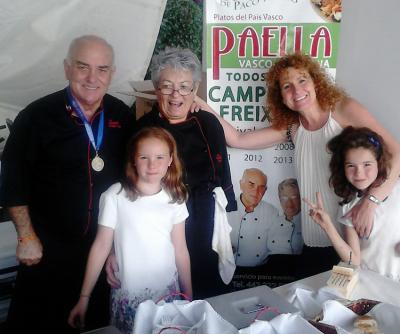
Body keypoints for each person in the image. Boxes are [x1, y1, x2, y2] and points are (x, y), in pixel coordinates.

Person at [196, 52, 400, 277]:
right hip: (314, 239)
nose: (296, 90)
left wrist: (370, 202)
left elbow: (396, 152)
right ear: (281, 97)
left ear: (316, 81)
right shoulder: (293, 127)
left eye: (302, 80)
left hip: (354, 237)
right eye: (287, 86)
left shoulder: (343, 109)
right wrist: (194, 100)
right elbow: (237, 139)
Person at [0, 35, 134, 333]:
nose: (92, 78)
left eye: (102, 69)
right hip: (46, 249)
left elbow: (132, 179)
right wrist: (25, 237)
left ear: (111, 73)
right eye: (82, 67)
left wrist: (118, 246)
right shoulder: (36, 116)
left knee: (95, 325)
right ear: (66, 68)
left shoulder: (121, 116)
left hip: (101, 249)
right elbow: (13, 177)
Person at [106, 47, 236, 299]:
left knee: (209, 295)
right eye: (167, 86)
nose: (176, 95)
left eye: (185, 87)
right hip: (158, 229)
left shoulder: (209, 124)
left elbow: (222, 173)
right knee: (167, 301)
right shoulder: (141, 131)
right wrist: (114, 247)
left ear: (195, 89)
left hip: (204, 222)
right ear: (156, 89)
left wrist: (225, 226)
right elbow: (124, 192)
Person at [68, 127, 192, 334]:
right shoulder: (115, 196)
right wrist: (84, 298)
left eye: (160, 157)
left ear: (171, 159)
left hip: (168, 294)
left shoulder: (175, 197)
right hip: (129, 297)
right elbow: (101, 246)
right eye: (144, 157)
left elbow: (180, 249)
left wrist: (189, 294)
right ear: (134, 159)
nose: (152, 165)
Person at [304, 127, 400, 281]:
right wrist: (328, 226)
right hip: (372, 284)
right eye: (351, 166)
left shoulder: (397, 189)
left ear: (379, 162)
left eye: (367, 164)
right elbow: (353, 261)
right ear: (342, 168)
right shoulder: (348, 207)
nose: (359, 173)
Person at [229, 168, 280, 267]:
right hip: (230, 270)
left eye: (261, 187)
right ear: (241, 184)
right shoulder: (226, 207)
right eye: (251, 184)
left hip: (261, 271)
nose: (256, 191)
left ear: (265, 190)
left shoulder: (272, 212)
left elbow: (276, 245)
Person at [266, 178, 303, 255]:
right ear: (279, 199)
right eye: (285, 198)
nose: (289, 204)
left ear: (301, 199)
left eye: (294, 197)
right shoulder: (273, 223)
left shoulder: (308, 223)